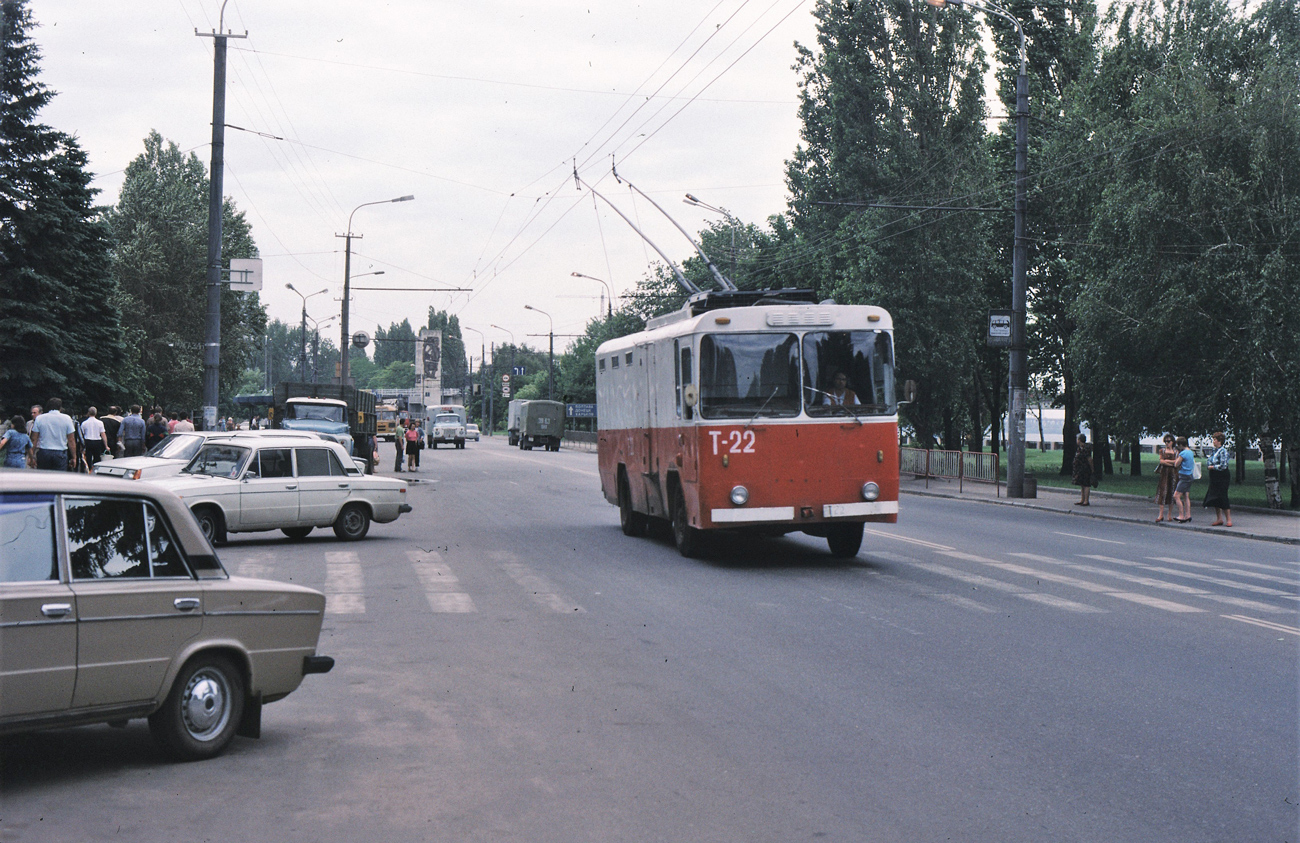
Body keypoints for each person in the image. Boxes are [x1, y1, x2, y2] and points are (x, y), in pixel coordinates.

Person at [29, 397, 76, 471]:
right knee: (59, 478)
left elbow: (34, 439)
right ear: (60, 407)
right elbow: (71, 440)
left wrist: (31, 457)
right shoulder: (67, 419)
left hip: (44, 451)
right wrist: (74, 457)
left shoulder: (40, 418)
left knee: (43, 477)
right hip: (60, 452)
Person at [1202, 431, 1233, 527]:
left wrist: (1213, 467)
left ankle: (1228, 519)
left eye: (1215, 439)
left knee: (1223, 496)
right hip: (1214, 477)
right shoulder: (1214, 451)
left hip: (1222, 476)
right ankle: (1219, 518)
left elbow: (1223, 465)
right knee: (1214, 496)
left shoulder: (1223, 451)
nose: (1213, 441)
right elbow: (1209, 460)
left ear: (1219, 441)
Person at [1154, 434, 1178, 522]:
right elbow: (1161, 462)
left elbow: (1177, 462)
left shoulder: (1176, 452)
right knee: (1162, 492)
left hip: (1173, 474)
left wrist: (1167, 461)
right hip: (1164, 474)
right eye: (1166, 441)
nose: (1167, 443)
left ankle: (1169, 514)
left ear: (1172, 442)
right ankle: (1160, 514)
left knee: (1171, 492)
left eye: (1169, 441)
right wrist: (1170, 463)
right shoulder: (1162, 451)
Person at [1172, 435, 1196, 522]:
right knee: (1186, 496)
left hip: (1184, 476)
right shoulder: (1190, 452)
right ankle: (1188, 515)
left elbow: (1176, 464)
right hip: (1190, 475)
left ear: (1180, 445)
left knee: (1176, 496)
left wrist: (1178, 455)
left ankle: (1181, 515)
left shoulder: (1183, 453)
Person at [1072, 433, 1093, 505]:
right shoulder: (1079, 448)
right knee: (1082, 484)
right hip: (1080, 469)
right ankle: (1082, 499)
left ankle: (1086, 501)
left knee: (1086, 484)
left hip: (1085, 468)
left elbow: (1089, 459)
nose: (1076, 441)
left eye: (1077, 439)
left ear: (1080, 440)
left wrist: (1092, 469)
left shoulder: (1086, 448)